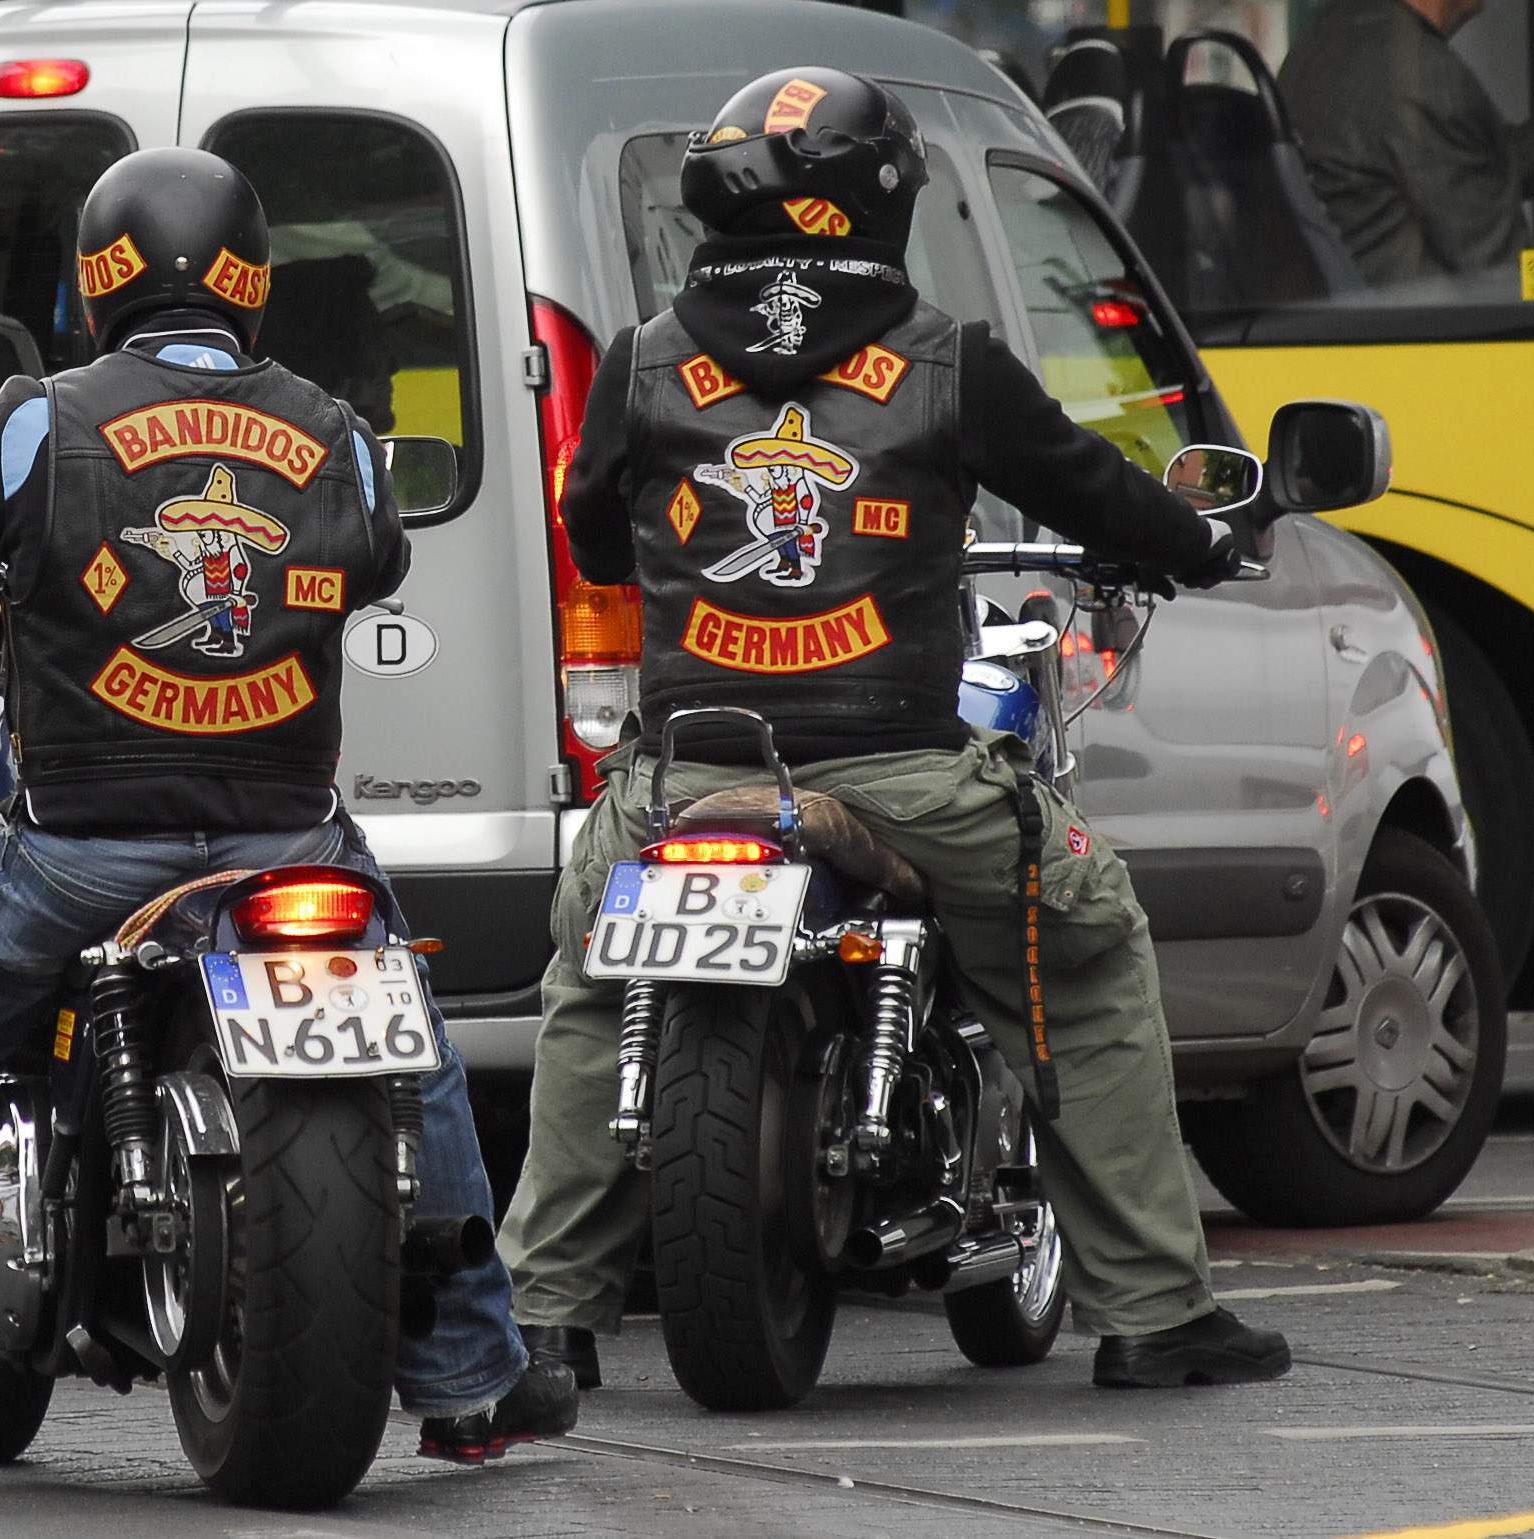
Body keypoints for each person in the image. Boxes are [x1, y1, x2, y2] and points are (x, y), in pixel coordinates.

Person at [0, 147, 572, 1489]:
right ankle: (475, 1376)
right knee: (413, 1058)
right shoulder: (332, 428)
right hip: (289, 837)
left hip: (81, 847)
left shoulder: (40, 418)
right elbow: (372, 555)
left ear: (98, 279)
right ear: (253, 278)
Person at [494, 68, 1289, 1396]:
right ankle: (1151, 1307)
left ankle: (544, 1314)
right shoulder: (943, 358)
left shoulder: (640, 361)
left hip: (685, 776)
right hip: (901, 770)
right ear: (878, 198)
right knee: (1083, 952)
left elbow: (593, 534)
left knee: (591, 988)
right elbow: (1094, 490)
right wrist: (1198, 539)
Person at [1280, 0, 1534, 286]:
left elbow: (1486, 164)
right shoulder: (1420, 75)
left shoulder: (1336, 33)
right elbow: (1504, 279)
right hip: (1424, 352)